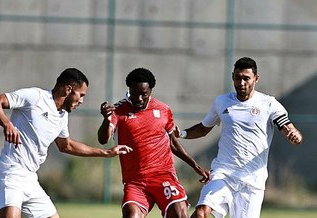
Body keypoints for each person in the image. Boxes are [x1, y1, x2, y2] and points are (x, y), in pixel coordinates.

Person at [0, 68, 133, 218]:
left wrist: (106, 153)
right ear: (68, 89)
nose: (81, 101)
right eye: (81, 95)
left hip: (30, 179)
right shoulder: (36, 96)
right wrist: (7, 124)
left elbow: (66, 145)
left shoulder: (62, 116)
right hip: (10, 172)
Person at [175, 57, 303, 218]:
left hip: (252, 180)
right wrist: (181, 134)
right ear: (232, 77)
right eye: (238, 77)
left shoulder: (269, 103)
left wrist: (293, 134)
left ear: (256, 78)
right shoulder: (221, 102)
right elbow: (203, 128)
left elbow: (285, 125)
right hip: (223, 173)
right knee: (200, 213)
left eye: (246, 78)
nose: (241, 82)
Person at [98, 68, 210, 218]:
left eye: (143, 94)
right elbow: (103, 139)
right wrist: (106, 119)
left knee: (179, 212)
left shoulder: (163, 110)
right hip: (136, 182)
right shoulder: (118, 111)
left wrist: (196, 167)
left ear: (150, 90)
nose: (138, 99)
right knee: (131, 215)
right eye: (134, 94)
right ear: (129, 90)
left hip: (164, 177)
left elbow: (173, 143)